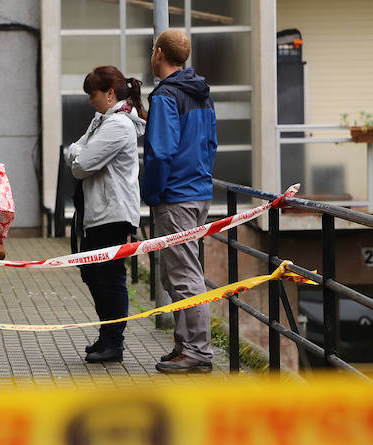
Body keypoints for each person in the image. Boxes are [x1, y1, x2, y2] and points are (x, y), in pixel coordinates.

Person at [143, 30, 218, 374]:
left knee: (184, 275)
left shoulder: (166, 97)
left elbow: (160, 152)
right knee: (177, 274)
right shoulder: (200, 93)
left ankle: (198, 351)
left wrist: (151, 193)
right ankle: (185, 345)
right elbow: (210, 143)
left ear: (159, 52)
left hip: (174, 195)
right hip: (197, 191)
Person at [64, 66, 146, 363]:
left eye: (93, 95)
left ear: (110, 94)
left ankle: (115, 342)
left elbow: (80, 164)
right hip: (97, 212)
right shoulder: (102, 121)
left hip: (112, 212)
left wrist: (77, 154)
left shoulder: (118, 126)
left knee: (110, 277)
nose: (90, 101)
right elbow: (76, 153)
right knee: (92, 274)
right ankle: (106, 335)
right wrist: (78, 153)